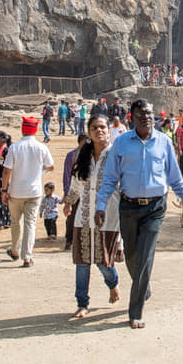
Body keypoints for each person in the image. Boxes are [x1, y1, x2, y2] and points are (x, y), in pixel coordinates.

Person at [95, 98, 183, 329]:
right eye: (141, 115)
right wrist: (100, 206)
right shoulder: (121, 143)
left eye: (149, 114)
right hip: (128, 207)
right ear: (132, 118)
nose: (147, 118)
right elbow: (110, 178)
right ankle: (143, 288)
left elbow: (174, 176)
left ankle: (135, 311)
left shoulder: (164, 141)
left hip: (155, 208)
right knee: (132, 256)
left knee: (146, 255)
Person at [66, 115, 122, 317]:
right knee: (82, 262)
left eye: (102, 127)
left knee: (103, 261)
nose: (99, 130)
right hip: (83, 215)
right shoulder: (83, 155)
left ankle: (113, 283)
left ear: (108, 130)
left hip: (109, 216)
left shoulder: (117, 155)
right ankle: (82, 303)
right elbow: (76, 183)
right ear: (89, 132)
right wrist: (69, 202)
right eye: (94, 128)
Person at [2, 116, 55, 267]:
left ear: (22, 129)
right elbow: (51, 166)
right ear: (35, 130)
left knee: (15, 222)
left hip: (16, 191)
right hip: (34, 192)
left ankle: (15, 250)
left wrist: (4, 190)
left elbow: (7, 171)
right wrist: (40, 172)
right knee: (30, 224)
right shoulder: (41, 147)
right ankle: (27, 256)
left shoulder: (14, 147)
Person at [63, 134, 88, 250]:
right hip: (75, 190)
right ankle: (69, 240)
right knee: (71, 215)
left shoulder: (92, 155)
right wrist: (67, 192)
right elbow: (67, 175)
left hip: (87, 192)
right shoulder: (72, 156)